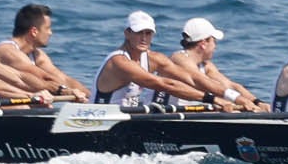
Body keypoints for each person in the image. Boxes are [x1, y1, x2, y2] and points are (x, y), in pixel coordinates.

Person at [93, 12, 223, 108]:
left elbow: (191, 78)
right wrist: (212, 99)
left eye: (148, 33)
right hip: (102, 123)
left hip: (129, 119)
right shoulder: (119, 62)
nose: (144, 38)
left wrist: (231, 96)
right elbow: (165, 85)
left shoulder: (154, 59)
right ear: (127, 33)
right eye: (139, 33)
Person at [0, 3, 89, 101]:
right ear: (34, 31)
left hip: (14, 101)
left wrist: (90, 97)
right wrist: (67, 91)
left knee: (44, 106)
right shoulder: (7, 51)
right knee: (40, 106)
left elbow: (63, 79)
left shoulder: (37, 54)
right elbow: (43, 78)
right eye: (47, 28)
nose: (50, 33)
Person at [164, 18, 265, 111]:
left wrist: (257, 102)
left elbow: (231, 85)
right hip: (165, 113)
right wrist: (239, 100)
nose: (215, 46)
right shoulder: (180, 59)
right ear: (203, 43)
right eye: (214, 41)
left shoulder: (205, 65)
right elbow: (203, 82)